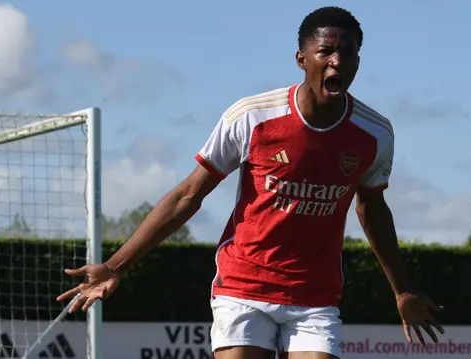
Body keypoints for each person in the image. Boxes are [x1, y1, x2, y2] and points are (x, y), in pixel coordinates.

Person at [57, 5, 445, 359]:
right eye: (326, 52)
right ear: (302, 59)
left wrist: (403, 290)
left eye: (348, 53)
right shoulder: (252, 117)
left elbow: (372, 208)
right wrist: (116, 264)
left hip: (314, 296)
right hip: (243, 286)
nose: (336, 62)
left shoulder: (374, 134)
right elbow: (187, 196)